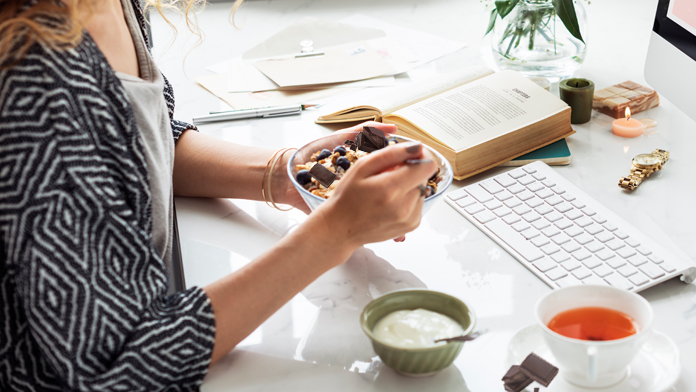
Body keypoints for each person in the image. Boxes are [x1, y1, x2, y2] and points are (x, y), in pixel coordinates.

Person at [0, 0, 437, 390]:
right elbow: (117, 363)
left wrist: (290, 175)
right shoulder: (35, 77)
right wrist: (335, 232)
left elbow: (141, 141)